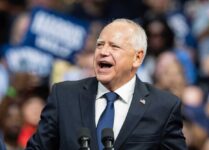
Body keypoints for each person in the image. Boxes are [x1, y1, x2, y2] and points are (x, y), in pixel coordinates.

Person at [25, 18, 187, 150]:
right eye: (99, 45)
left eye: (114, 46)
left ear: (137, 58)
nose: (103, 52)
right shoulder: (64, 95)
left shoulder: (163, 106)